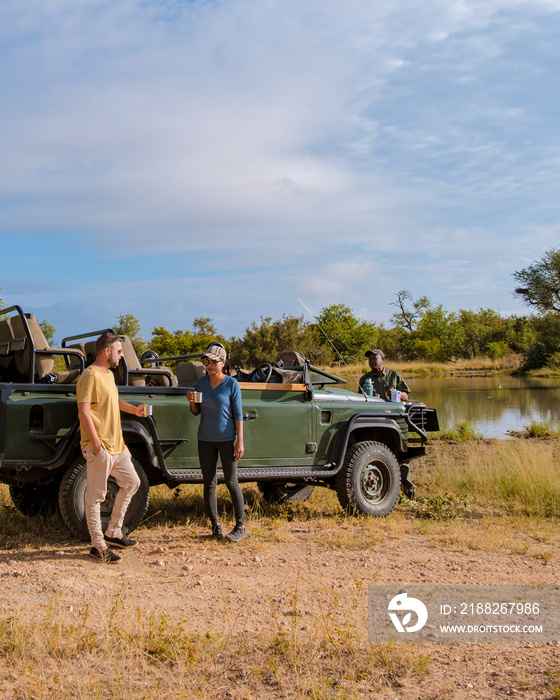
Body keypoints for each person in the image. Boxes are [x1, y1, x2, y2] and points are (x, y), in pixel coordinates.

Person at [77, 332, 146, 563]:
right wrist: (97, 446)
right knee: (96, 497)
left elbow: (114, 401)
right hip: (101, 448)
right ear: (107, 351)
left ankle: (114, 532)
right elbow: (84, 412)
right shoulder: (90, 376)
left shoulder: (108, 375)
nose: (121, 356)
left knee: (132, 483)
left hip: (118, 447)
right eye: (118, 351)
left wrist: (134, 410)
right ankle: (98, 546)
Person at [186, 343, 246, 543]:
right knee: (209, 483)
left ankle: (240, 526)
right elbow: (196, 412)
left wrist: (239, 441)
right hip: (205, 439)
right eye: (206, 361)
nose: (209, 365)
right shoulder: (201, 383)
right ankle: (215, 525)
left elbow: (238, 415)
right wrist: (191, 402)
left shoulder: (231, 384)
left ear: (223, 363)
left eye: (213, 361)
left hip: (227, 440)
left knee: (231, 482)